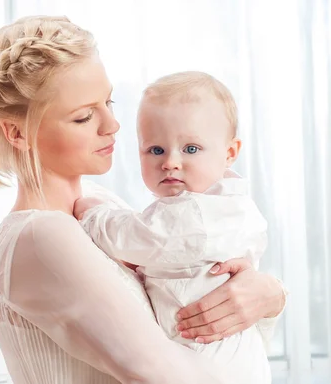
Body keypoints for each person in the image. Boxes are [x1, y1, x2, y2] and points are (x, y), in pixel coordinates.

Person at [0, 15, 286, 384]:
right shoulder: (41, 235)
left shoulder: (99, 202)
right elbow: (171, 377)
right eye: (84, 117)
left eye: (108, 101)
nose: (112, 124)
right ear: (17, 133)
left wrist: (268, 295)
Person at [74, 71, 272, 383]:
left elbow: (133, 237)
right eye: (155, 150)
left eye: (191, 149)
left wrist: (92, 215)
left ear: (230, 153)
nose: (170, 162)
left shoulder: (195, 214)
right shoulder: (233, 205)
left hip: (208, 362)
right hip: (233, 361)